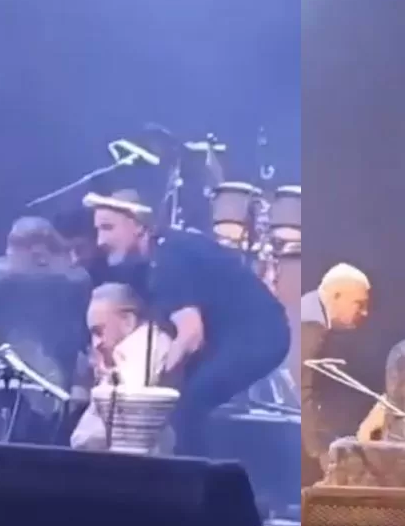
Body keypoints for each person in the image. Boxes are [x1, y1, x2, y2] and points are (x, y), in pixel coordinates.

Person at [86, 191, 289, 457]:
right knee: (182, 399)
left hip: (258, 338)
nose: (100, 241)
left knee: (185, 405)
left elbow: (191, 336)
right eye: (97, 230)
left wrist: (150, 385)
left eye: (108, 228)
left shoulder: (170, 258)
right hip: (235, 337)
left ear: (138, 225)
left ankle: (197, 474)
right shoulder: (162, 254)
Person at [0, 216, 92, 389]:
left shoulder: (74, 284)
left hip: (54, 383)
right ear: (37, 253)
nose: (74, 261)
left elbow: (83, 343)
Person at [70, 283, 175, 451]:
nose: (96, 344)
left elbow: (93, 437)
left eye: (99, 332)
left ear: (128, 321)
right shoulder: (126, 356)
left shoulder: (143, 350)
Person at [298, 263, 371, 486]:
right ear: (336, 296)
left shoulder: (311, 315)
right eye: (359, 304)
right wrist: (318, 451)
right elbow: (301, 391)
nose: (365, 313)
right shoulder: (310, 325)